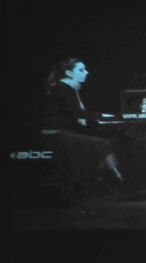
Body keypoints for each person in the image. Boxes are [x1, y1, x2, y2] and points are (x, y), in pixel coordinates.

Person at [41, 57, 126, 199]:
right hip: (56, 134)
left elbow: (76, 115)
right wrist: (103, 116)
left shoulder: (68, 87)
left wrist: (101, 118)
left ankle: (101, 182)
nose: (86, 72)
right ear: (69, 73)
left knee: (106, 143)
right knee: (103, 144)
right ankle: (118, 183)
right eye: (81, 70)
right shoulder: (63, 88)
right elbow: (77, 113)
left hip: (64, 132)